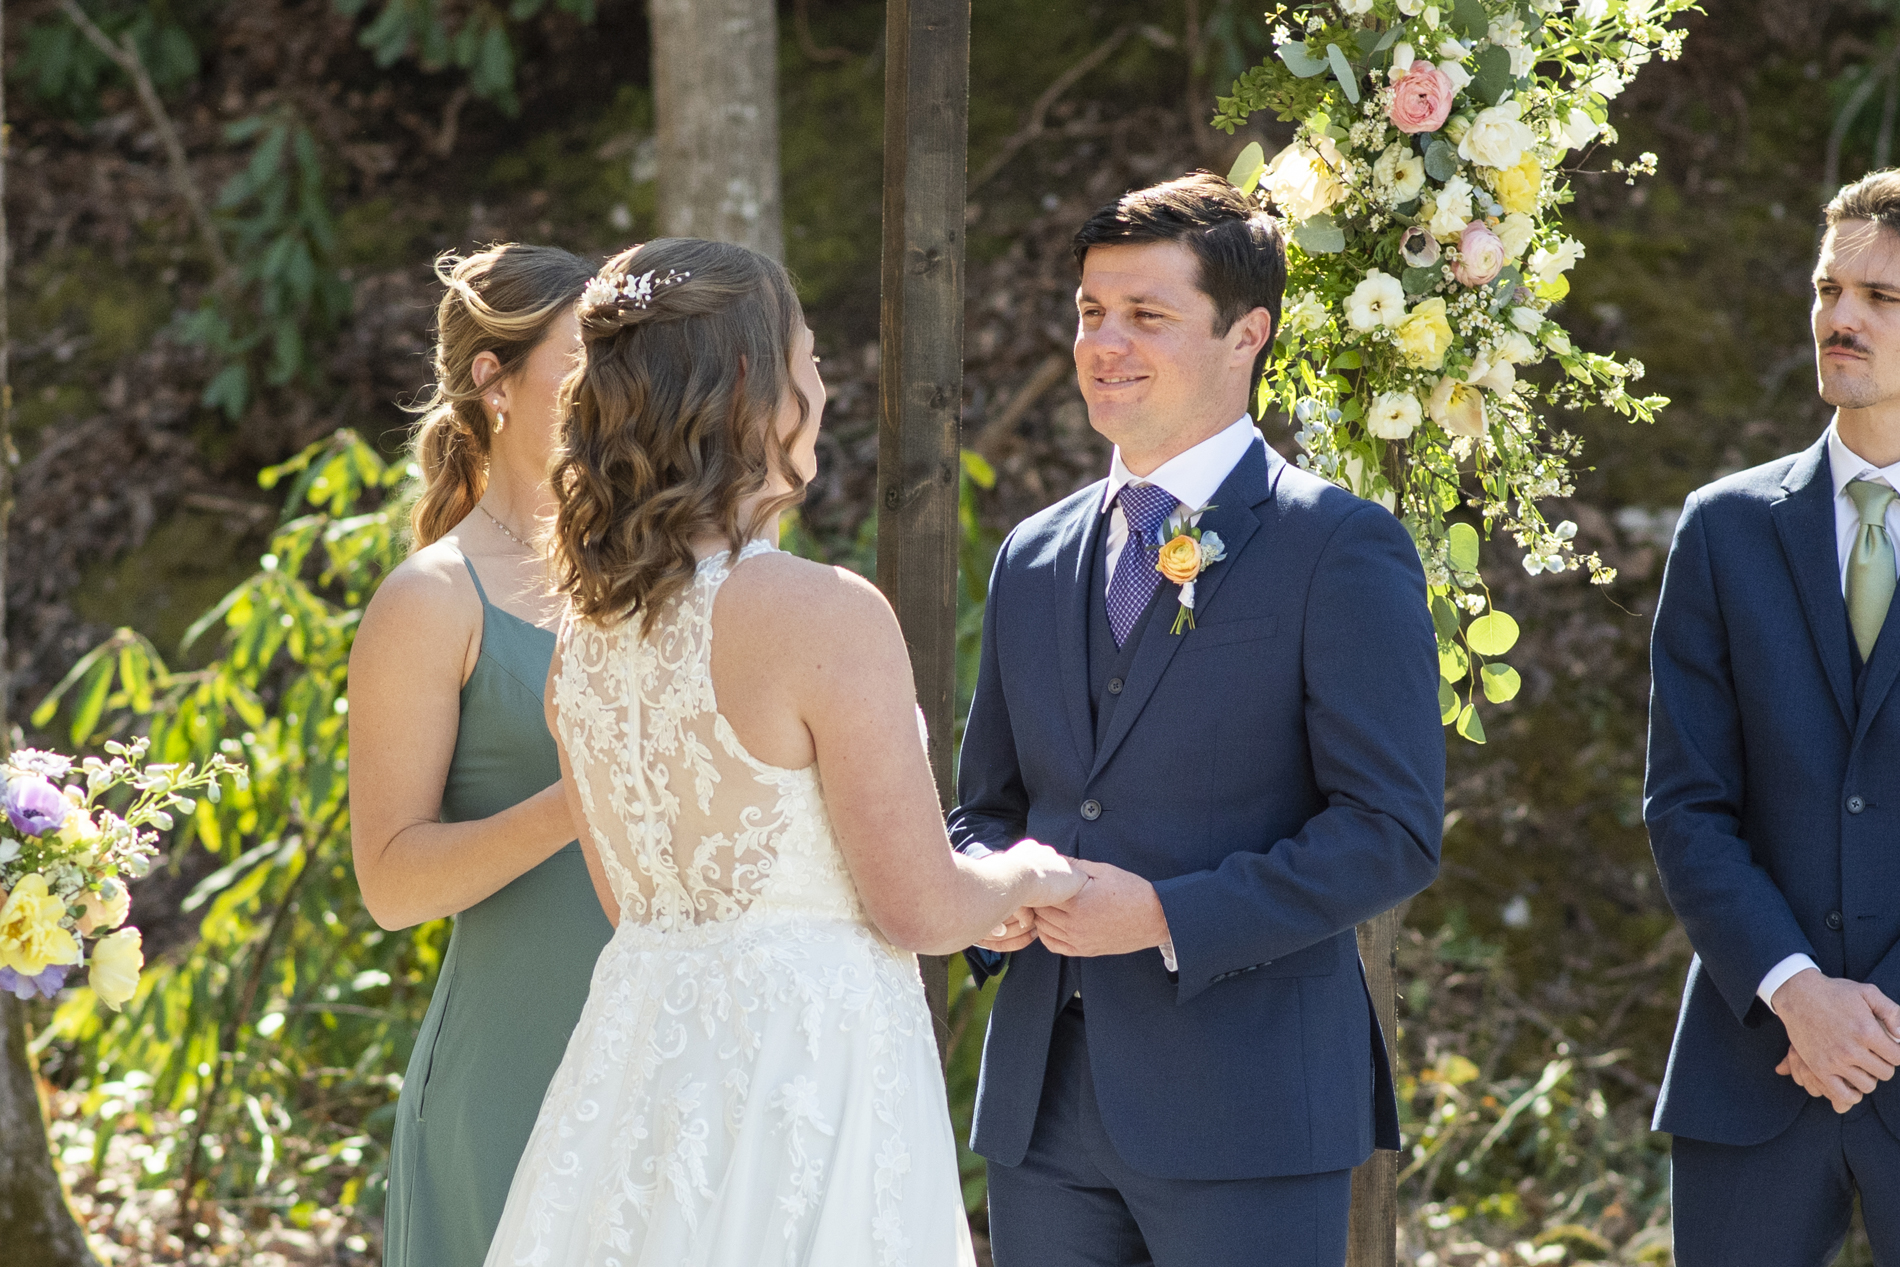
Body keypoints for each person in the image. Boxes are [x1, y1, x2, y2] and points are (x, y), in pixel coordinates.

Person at [480, 237, 1083, 1267]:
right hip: (812, 1080)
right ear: (755, 383)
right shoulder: (821, 612)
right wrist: (1027, 871)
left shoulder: (584, 641)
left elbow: (634, 907)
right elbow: (920, 907)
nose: (826, 380)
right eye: (810, 356)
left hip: (637, 1082)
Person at [949, 173, 1445, 1267]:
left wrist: (1168, 915)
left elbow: (1391, 831)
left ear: (1246, 335)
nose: (1103, 343)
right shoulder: (1031, 556)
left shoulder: (1338, 548)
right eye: (1089, 313)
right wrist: (984, 894)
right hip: (1042, 1112)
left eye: (1146, 316)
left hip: (1250, 1107)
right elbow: (982, 806)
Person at [1646, 169, 1900, 1264]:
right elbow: (1684, 804)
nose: (1841, 317)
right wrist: (1799, 994)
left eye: (1883, 297)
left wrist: (1871, 1017)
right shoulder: (1722, 529)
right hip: (1752, 1065)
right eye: (1827, 288)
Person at [347, 244, 612, 1267]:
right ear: (493, 381)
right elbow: (391, 884)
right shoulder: (433, 596)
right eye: (586, 358)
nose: (618, 386)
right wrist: (585, 794)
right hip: (513, 1066)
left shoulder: (659, 569)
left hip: (677, 1046)